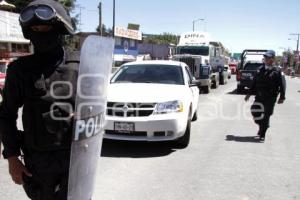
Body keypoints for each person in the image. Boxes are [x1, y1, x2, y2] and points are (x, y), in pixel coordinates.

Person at [0, 0, 78, 199]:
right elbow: (6, 114)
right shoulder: (20, 70)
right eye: (34, 28)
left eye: (45, 26)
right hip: (39, 164)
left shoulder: (82, 65)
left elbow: (99, 109)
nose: (39, 32)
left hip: (76, 158)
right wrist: (12, 158)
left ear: (59, 28)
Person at [245, 50, 286, 142]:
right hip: (259, 96)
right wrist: (249, 94)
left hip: (270, 98)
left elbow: (282, 85)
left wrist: (282, 97)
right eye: (265, 58)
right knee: (255, 111)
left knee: (266, 116)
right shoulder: (260, 69)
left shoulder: (278, 71)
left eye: (268, 58)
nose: (266, 59)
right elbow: (254, 83)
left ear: (273, 59)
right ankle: (262, 126)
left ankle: (262, 134)